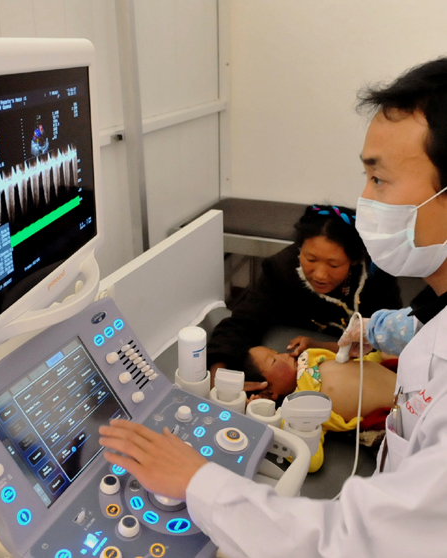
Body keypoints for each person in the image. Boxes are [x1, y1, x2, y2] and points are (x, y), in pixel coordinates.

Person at [99, 58, 447, 557]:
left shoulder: (381, 284)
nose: (365, 199)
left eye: (379, 180)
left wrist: (196, 481)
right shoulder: (290, 276)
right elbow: (246, 320)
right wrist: (231, 363)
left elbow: (351, 543)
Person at [207, 204, 402, 383]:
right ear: (300, 249)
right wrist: (218, 373)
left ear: (353, 259)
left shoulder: (377, 279)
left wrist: (321, 345)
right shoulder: (281, 269)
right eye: (310, 259)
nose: (320, 275)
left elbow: (390, 337)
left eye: (334, 265)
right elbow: (243, 321)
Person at [245, 345, 396, 472]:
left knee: (388, 350)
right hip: (398, 411)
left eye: (277, 353)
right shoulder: (297, 411)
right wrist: (269, 419)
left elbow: (352, 360)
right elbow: (310, 460)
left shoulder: (309, 357)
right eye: (274, 360)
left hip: (392, 372)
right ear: (268, 392)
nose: (285, 355)